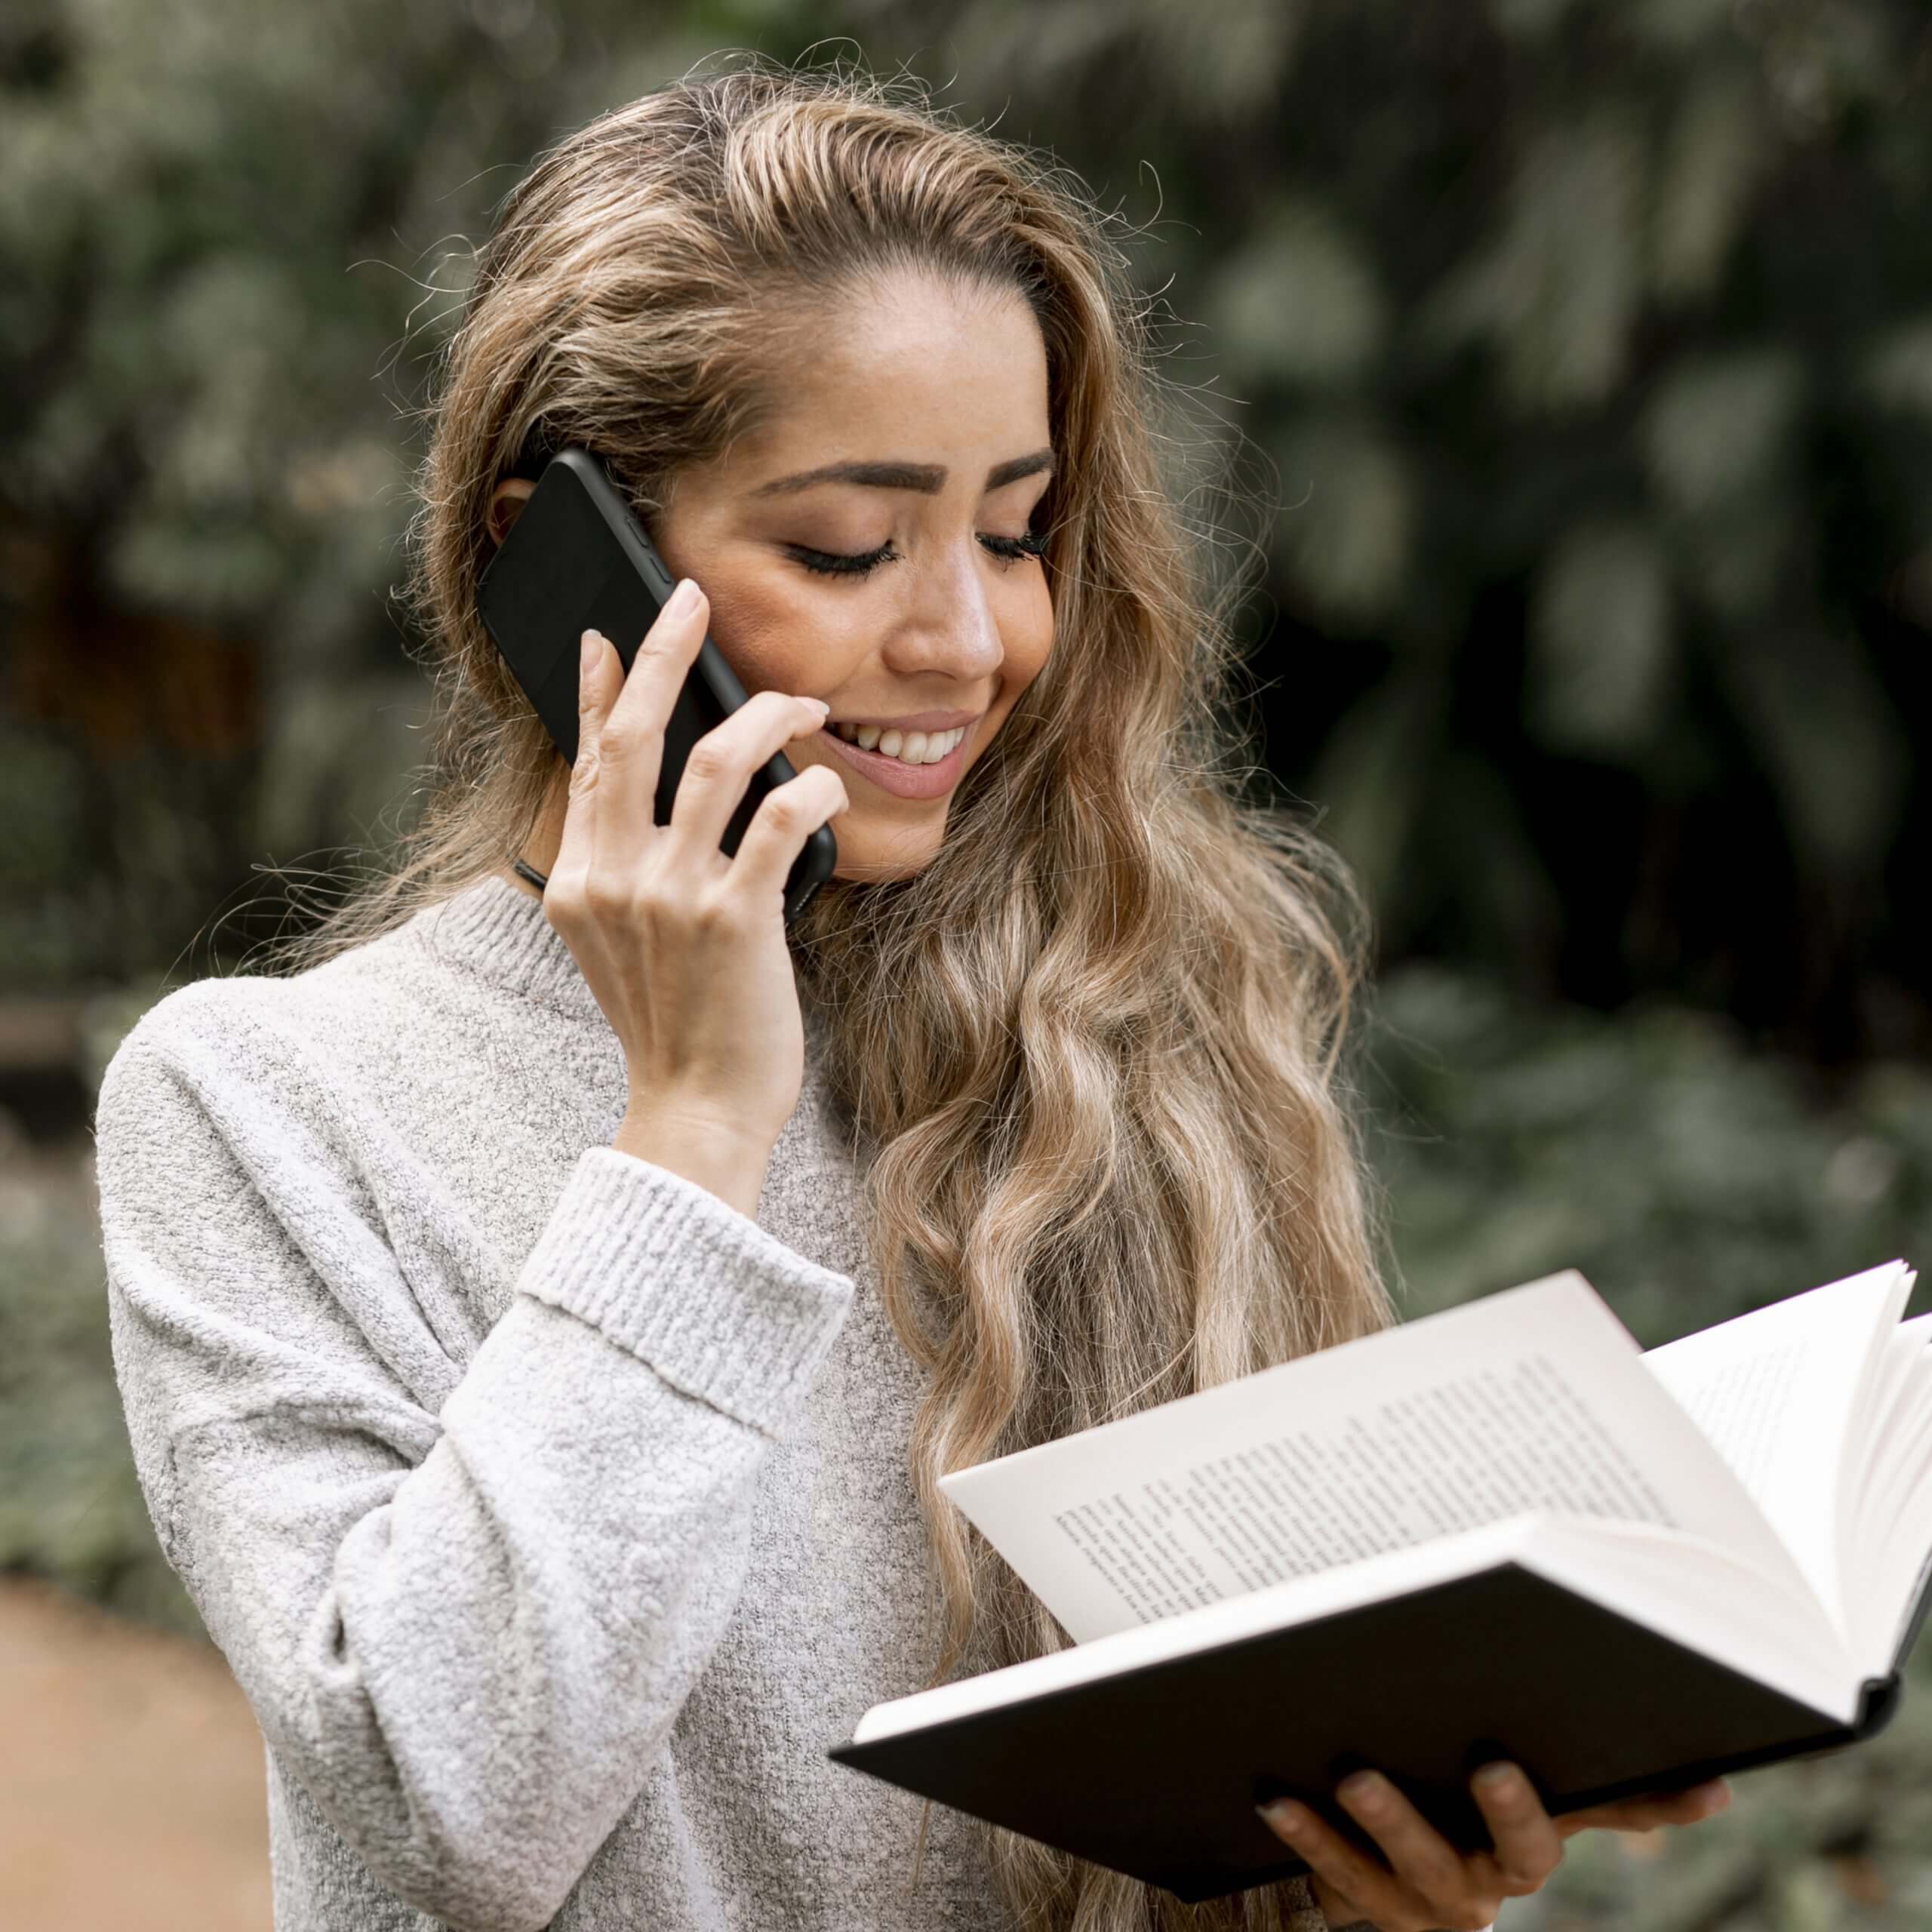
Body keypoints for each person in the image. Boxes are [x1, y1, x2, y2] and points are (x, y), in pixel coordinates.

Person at [93, 57, 1730, 1932]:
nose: (968, 639)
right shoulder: (267, 1109)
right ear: (553, 556)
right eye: (848, 547)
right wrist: (694, 1124)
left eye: (1017, 531)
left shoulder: (1134, 1034)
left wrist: (1384, 1888)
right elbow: (439, 1820)